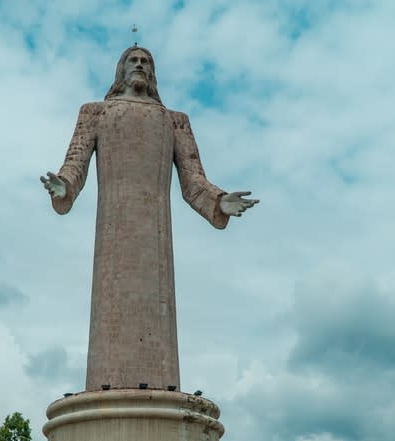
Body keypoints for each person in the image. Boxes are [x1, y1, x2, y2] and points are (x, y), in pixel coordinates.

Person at [41, 46, 258, 392]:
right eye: (133, 60)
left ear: (154, 73)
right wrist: (63, 186)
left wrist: (220, 201)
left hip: (156, 237)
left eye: (146, 62)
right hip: (112, 231)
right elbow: (75, 161)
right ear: (121, 70)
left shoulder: (174, 121)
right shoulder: (95, 113)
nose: (140, 65)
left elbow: (194, 179)